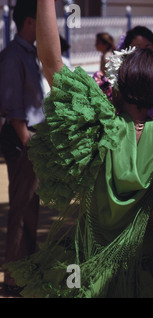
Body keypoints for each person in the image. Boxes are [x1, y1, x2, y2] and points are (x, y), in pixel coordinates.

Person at [3, 0, 153, 298]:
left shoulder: (100, 129)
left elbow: (52, 62)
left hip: (89, 272)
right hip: (149, 274)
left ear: (119, 84)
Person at [0, 0, 44, 295]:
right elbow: (13, 104)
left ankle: (26, 268)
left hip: (32, 138)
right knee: (21, 208)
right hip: (22, 139)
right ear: (30, 22)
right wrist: (28, 141)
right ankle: (15, 276)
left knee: (31, 208)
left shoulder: (30, 53)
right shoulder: (13, 55)